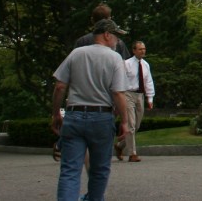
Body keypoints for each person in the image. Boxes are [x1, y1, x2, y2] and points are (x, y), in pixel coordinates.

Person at [52, 18, 130, 201]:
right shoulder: (114, 58)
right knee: (100, 169)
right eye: (116, 37)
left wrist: (56, 113)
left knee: (70, 170)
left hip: (74, 115)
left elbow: (60, 86)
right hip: (101, 117)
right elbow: (118, 93)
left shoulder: (76, 54)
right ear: (107, 35)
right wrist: (125, 122)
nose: (118, 41)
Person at [118, 40, 154, 163]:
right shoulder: (126, 64)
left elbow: (148, 81)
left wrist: (150, 98)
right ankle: (132, 153)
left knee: (137, 125)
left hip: (140, 96)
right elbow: (120, 80)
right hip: (128, 94)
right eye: (140, 49)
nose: (143, 51)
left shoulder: (146, 65)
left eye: (144, 49)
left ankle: (120, 145)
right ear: (134, 50)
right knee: (131, 125)